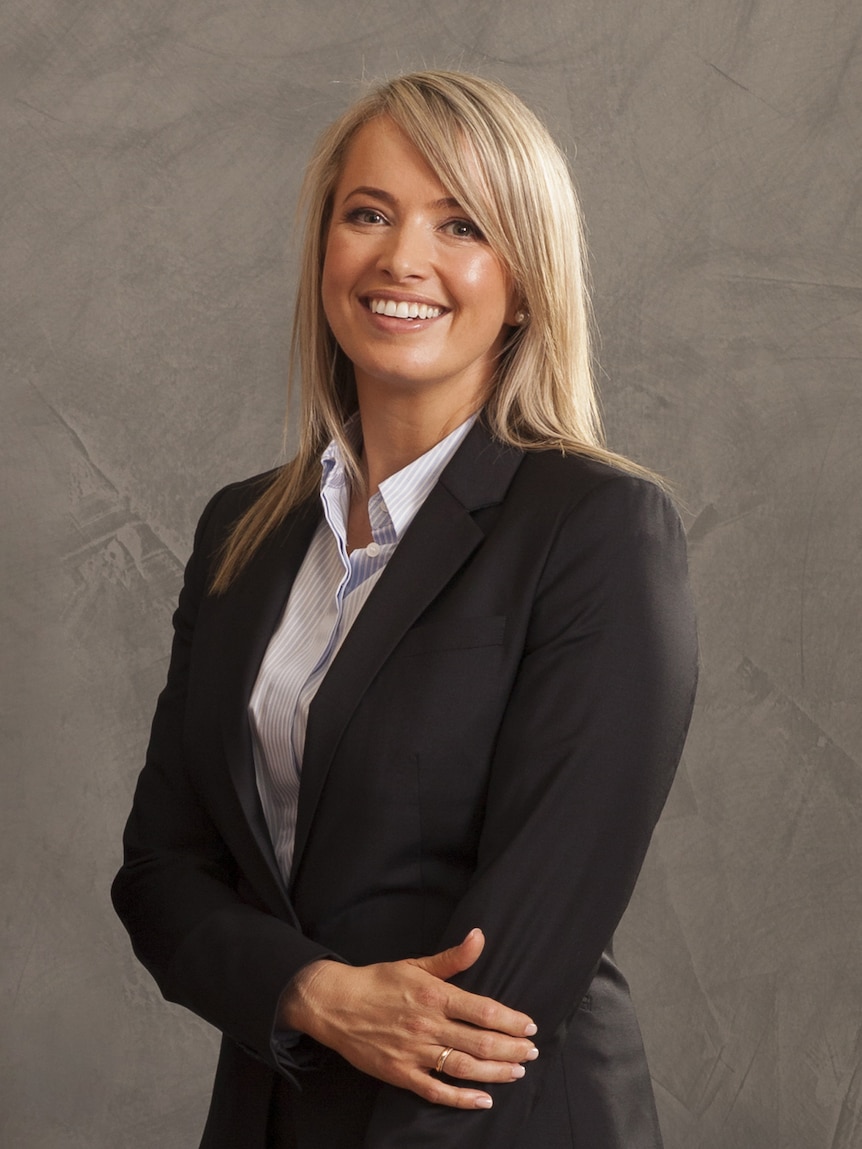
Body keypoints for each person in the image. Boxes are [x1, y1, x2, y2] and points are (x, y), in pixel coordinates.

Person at [112, 70, 698, 1149]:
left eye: (461, 224)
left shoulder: (598, 529)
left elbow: (513, 977)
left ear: (523, 283)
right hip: (268, 1112)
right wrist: (308, 992)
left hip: (489, 1126)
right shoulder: (241, 532)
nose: (401, 260)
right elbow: (161, 874)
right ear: (325, 251)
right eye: (367, 214)